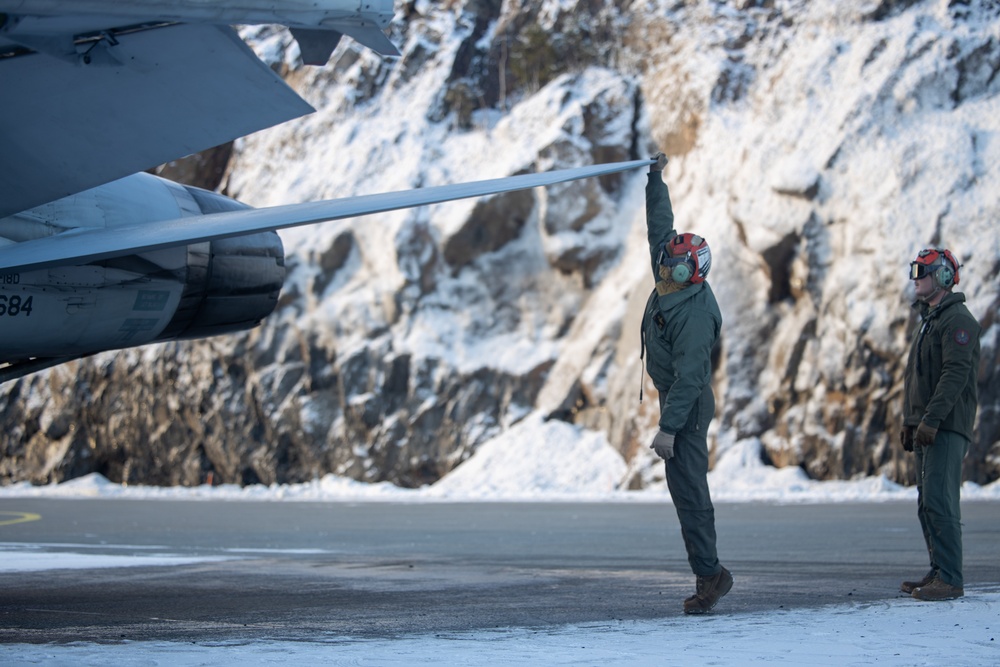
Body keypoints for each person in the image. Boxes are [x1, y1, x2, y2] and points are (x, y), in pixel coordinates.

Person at [640, 152, 730, 614]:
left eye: (671, 265)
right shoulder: (673, 277)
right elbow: (661, 226)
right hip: (675, 398)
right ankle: (708, 570)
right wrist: (655, 179)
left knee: (691, 491)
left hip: (687, 407)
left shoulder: (694, 312)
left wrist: (670, 428)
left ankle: (711, 575)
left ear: (689, 271)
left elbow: (693, 378)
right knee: (684, 491)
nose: (662, 268)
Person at [899, 247, 981, 601]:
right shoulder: (931, 319)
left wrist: (930, 421)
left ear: (945, 277)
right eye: (915, 270)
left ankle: (950, 578)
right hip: (926, 425)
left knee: (940, 500)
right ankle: (938, 571)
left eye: (924, 271)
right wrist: (910, 420)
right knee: (926, 502)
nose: (916, 278)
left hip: (945, 426)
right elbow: (915, 377)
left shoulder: (957, 321)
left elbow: (954, 375)